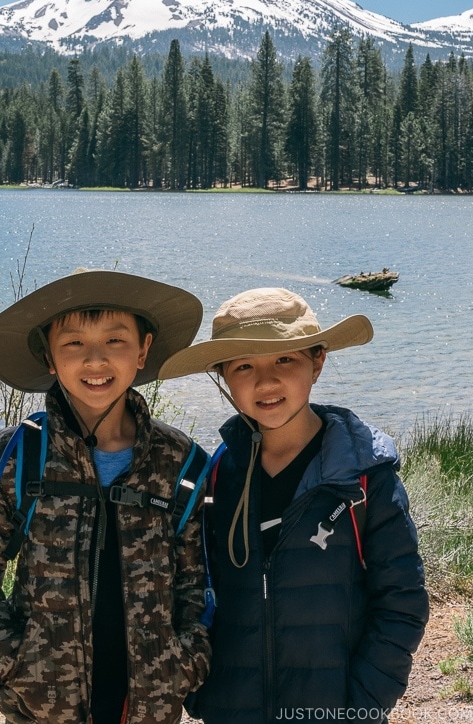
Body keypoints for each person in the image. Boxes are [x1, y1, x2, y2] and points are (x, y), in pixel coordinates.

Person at [0, 268, 211, 724]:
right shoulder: (20, 453)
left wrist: (183, 666)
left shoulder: (181, 462)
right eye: (74, 344)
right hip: (43, 708)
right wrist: (9, 665)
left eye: (115, 341)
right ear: (49, 356)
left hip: (149, 708)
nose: (95, 361)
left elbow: (199, 583)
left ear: (143, 350)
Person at [159, 287, 429, 724]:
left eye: (284, 359)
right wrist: (204, 695)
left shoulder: (361, 478)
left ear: (318, 361)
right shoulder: (216, 478)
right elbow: (191, 592)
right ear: (223, 376)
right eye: (244, 365)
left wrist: (359, 708)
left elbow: (403, 602)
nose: (265, 382)